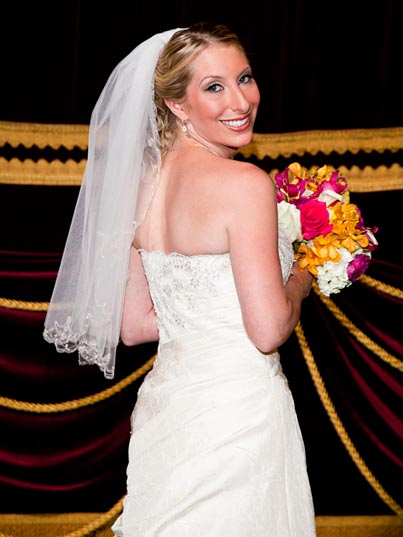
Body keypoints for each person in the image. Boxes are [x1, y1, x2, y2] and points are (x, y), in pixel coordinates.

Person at [43, 23, 316, 535]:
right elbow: (268, 330)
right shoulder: (245, 185)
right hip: (240, 412)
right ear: (176, 105)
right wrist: (305, 274)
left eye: (245, 78)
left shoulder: (138, 184)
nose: (240, 100)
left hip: (170, 409)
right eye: (214, 87)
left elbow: (135, 325)